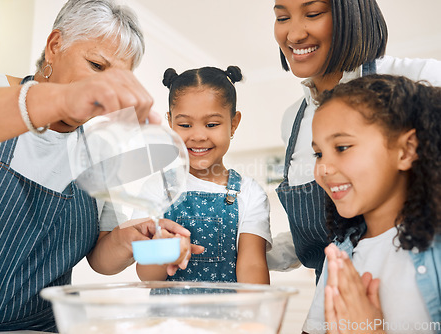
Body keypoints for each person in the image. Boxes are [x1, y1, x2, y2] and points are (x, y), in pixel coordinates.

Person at [0, 0, 198, 332]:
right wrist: (61, 98)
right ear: (54, 46)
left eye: (118, 78)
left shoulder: (96, 151)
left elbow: (100, 259)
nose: (105, 88)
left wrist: (130, 242)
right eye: (96, 65)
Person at [272, 0, 441, 280]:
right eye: (282, 17)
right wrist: (245, 245)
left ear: (351, 13)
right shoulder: (292, 120)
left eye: (312, 14)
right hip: (334, 296)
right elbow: (323, 231)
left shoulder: (422, 79)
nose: (293, 34)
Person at [303, 74, 441, 333]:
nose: (323, 168)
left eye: (342, 147)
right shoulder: (340, 255)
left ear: (406, 150)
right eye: (318, 153)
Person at [135, 66, 273, 284]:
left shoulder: (250, 193)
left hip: (230, 317)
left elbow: (252, 265)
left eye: (211, 124)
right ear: (170, 123)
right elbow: (146, 276)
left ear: (233, 124)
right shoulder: (157, 188)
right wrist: (164, 252)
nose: (198, 135)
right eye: (185, 125)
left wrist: (256, 317)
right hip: (169, 318)